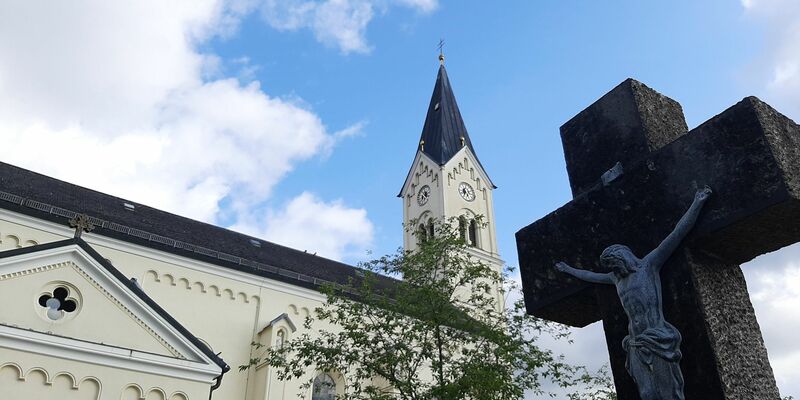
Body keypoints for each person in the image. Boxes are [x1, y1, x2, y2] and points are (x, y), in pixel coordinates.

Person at [555, 186, 712, 400]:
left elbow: (677, 234)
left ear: (623, 257)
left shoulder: (649, 265)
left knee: (668, 393)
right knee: (646, 394)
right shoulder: (615, 279)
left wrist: (698, 202)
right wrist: (568, 270)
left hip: (656, 336)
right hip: (634, 342)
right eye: (610, 266)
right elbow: (590, 276)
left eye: (614, 263)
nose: (613, 269)